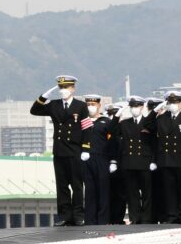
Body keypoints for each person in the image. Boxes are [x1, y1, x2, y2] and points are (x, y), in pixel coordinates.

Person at [31, 75, 90, 226]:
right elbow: (34, 110)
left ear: (73, 89)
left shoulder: (80, 106)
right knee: (62, 185)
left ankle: (78, 216)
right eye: (61, 88)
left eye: (66, 88)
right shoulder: (54, 105)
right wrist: (44, 97)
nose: (63, 91)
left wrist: (85, 148)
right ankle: (65, 216)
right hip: (59, 150)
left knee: (77, 185)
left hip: (75, 150)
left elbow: (86, 128)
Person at [113, 96, 156, 224]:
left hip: (144, 162)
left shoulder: (148, 123)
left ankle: (146, 217)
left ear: (142, 107)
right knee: (132, 193)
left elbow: (154, 142)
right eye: (132, 107)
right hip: (129, 162)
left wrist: (153, 160)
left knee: (147, 192)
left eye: (136, 106)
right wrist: (116, 117)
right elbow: (112, 131)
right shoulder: (125, 123)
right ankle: (135, 217)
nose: (134, 109)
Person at [155, 91, 181, 224]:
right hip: (166, 159)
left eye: (175, 103)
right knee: (169, 190)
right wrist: (156, 111)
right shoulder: (161, 119)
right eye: (170, 103)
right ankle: (171, 215)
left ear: (180, 104)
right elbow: (148, 126)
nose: (173, 105)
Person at [81, 94, 113, 225]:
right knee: (90, 191)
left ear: (99, 105)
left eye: (93, 105)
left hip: (102, 158)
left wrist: (112, 160)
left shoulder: (106, 122)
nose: (91, 107)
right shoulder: (83, 122)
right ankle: (90, 220)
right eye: (88, 105)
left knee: (103, 190)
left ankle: (103, 220)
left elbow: (112, 142)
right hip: (87, 159)